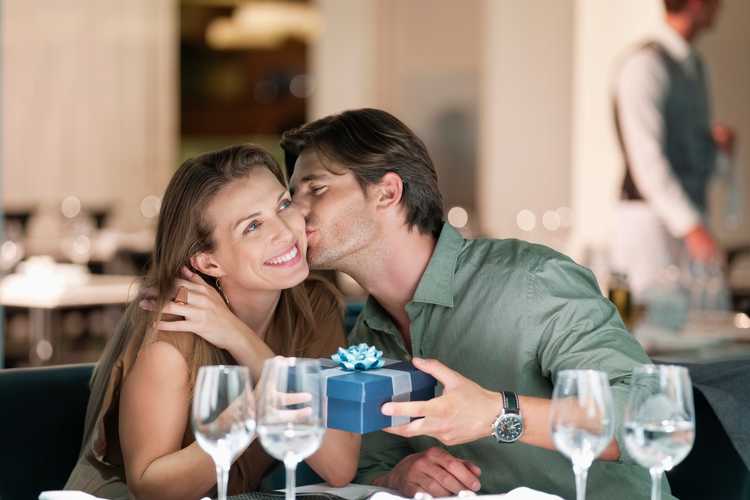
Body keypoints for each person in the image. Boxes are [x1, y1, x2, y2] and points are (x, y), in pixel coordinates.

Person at [282, 108, 673, 499]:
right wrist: (398, 476)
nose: (294, 214)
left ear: (387, 192)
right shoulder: (369, 336)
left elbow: (648, 413)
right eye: (291, 196)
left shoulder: (531, 281)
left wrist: (498, 414)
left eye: (316, 189)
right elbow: (368, 462)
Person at [65, 145, 360, 500]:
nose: (284, 231)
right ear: (208, 263)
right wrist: (253, 411)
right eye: (252, 226)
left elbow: (340, 465)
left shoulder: (314, 307)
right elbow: (149, 488)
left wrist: (241, 340)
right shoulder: (174, 330)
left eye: (283, 205)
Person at [611, 0, 736, 299]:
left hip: (688, 223)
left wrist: (718, 150)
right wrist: (692, 227)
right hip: (649, 228)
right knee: (650, 329)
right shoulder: (645, 65)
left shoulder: (696, 68)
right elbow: (647, 159)